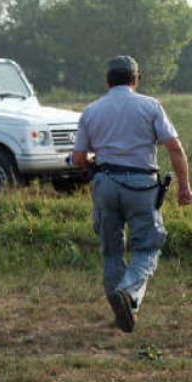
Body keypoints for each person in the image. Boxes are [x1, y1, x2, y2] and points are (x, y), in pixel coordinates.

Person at [72, 55, 192, 333]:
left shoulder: (91, 111)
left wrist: (94, 162)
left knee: (112, 251)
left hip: (104, 183)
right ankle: (128, 292)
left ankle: (121, 305)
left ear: (107, 81)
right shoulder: (150, 106)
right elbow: (174, 147)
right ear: (136, 80)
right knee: (147, 246)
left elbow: (79, 157)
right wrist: (185, 186)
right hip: (141, 186)